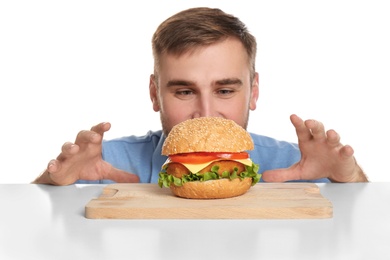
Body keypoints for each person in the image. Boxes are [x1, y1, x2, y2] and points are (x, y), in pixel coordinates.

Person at [32, 7, 368, 185]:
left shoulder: (293, 163)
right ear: (155, 94)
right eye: (184, 91)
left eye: (224, 90)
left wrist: (350, 177)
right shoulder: (107, 161)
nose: (205, 113)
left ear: (253, 92)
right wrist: (53, 182)